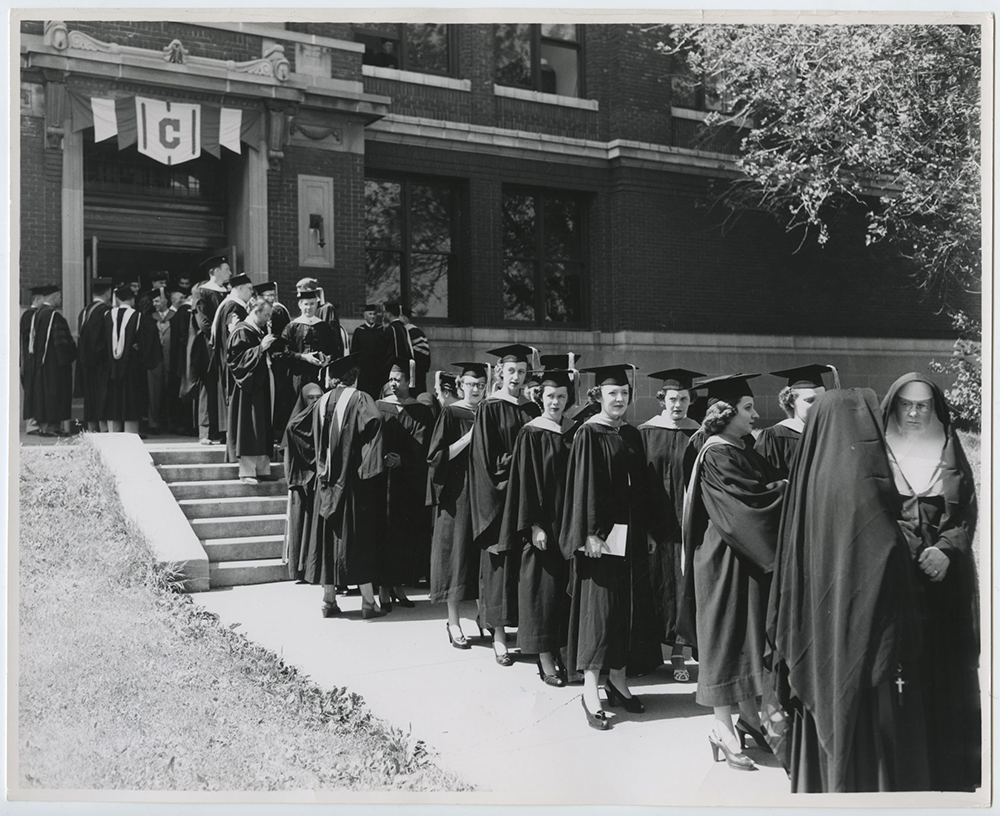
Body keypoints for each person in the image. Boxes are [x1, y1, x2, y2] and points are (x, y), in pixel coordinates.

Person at [766, 388, 930, 792]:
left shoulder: (809, 482)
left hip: (814, 645)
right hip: (865, 655)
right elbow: (884, 552)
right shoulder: (866, 481)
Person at [881, 373, 980, 792]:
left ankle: (950, 771)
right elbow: (875, 511)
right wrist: (908, 551)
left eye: (924, 405)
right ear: (894, 408)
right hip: (897, 580)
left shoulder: (950, 450)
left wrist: (945, 550)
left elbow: (966, 513)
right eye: (907, 404)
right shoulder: (879, 454)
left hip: (946, 580)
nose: (916, 412)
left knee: (947, 670)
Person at [680, 374, 784, 770]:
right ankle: (721, 728)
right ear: (724, 413)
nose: (755, 414)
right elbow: (748, 507)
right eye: (747, 408)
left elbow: (767, 482)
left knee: (746, 638)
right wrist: (787, 491)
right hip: (722, 562)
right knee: (725, 640)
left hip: (742, 560)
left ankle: (751, 719)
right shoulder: (717, 453)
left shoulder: (741, 448)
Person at [561, 364, 658, 730]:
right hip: (601, 539)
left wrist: (646, 530)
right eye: (612, 393)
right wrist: (588, 533)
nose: (619, 399)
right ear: (597, 396)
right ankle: (590, 688)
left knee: (625, 609)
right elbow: (582, 488)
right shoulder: (588, 434)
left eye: (624, 393)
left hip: (630, 537)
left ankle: (618, 681)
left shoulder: (631, 434)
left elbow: (643, 489)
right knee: (598, 611)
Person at [293, 352, 387, 619]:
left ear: (333, 379)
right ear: (354, 377)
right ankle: (368, 603)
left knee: (327, 541)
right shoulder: (360, 399)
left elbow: (294, 428)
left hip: (325, 485)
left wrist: (317, 462)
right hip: (352, 485)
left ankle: (328, 601)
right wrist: (365, 467)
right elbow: (376, 423)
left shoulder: (320, 402)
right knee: (356, 541)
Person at [500, 366, 576, 687]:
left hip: (569, 524)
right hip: (543, 525)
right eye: (550, 396)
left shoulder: (574, 431)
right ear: (539, 397)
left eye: (561, 396)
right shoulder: (531, 433)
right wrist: (533, 525)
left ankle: (560, 649)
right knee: (543, 590)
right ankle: (544, 656)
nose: (555, 402)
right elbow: (524, 484)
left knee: (564, 590)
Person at [469, 343, 539, 667]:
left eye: (522, 371)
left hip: (526, 498)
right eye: (511, 370)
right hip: (501, 498)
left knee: (525, 568)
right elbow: (484, 460)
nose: (516, 376)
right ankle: (498, 638)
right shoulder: (489, 408)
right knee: (499, 568)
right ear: (499, 372)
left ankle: (526, 633)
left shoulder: (533, 409)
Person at [638, 368, 704, 682]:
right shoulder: (645, 432)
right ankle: (648, 654)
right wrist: (646, 528)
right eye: (672, 399)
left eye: (683, 399)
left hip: (687, 524)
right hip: (655, 525)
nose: (677, 405)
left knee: (682, 588)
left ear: (691, 401)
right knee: (654, 588)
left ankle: (678, 653)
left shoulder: (698, 433)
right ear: (662, 399)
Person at [427, 362, 488, 647]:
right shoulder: (450, 413)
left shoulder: (489, 412)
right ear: (460, 385)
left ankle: (483, 616)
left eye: (479, 385)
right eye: (470, 384)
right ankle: (453, 622)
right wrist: (470, 437)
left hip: (484, 495)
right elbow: (438, 456)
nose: (475, 389)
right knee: (455, 557)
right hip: (457, 495)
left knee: (481, 559)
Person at [373, 357, 434, 609]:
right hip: (383, 480)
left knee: (405, 534)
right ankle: (384, 589)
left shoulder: (420, 410)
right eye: (391, 379)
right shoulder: (379, 406)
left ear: (409, 382)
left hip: (408, 482)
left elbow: (425, 445)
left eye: (398, 379)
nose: (393, 383)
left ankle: (399, 586)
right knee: (385, 533)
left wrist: (405, 460)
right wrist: (383, 457)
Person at [226, 300, 278, 484]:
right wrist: (261, 348)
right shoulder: (241, 332)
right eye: (266, 315)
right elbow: (235, 361)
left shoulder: (257, 331)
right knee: (249, 427)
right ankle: (247, 471)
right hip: (247, 389)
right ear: (255, 311)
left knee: (262, 426)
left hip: (260, 386)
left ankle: (262, 469)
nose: (268, 319)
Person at [754, 364, 834, 479]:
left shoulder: (832, 434)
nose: (818, 406)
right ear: (792, 401)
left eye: (822, 400)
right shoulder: (775, 438)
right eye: (810, 400)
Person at [101, 284, 162, 434]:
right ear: (131, 299)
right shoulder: (138, 317)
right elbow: (148, 342)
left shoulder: (107, 316)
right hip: (131, 368)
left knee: (114, 401)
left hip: (111, 368)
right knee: (131, 401)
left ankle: (113, 434)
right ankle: (130, 434)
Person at [282, 382, 325, 581]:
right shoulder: (295, 425)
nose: (315, 402)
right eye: (311, 398)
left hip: (318, 481)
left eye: (319, 398)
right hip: (302, 483)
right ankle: (299, 570)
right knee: (300, 524)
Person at [188, 254, 231, 445]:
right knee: (207, 386)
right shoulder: (201, 292)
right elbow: (203, 321)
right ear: (214, 271)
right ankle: (205, 432)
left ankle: (222, 430)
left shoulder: (228, 292)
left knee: (223, 387)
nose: (230, 272)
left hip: (226, 345)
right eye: (226, 269)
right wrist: (220, 336)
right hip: (209, 346)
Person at [24, 285, 78, 437]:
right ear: (54, 297)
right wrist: (73, 352)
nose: (60, 300)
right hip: (55, 366)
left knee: (43, 395)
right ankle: (52, 428)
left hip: (41, 364)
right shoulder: (54, 316)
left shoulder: (37, 314)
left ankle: (44, 427)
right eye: (59, 297)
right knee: (54, 394)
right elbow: (62, 343)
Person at [213, 273, 254, 440]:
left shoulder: (229, 305)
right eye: (249, 289)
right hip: (233, 361)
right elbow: (235, 334)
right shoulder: (233, 307)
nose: (252, 292)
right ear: (239, 288)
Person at [282, 287, 338, 395]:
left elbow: (335, 349)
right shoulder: (292, 327)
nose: (309, 307)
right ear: (300, 305)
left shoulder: (324, 327)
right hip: (298, 376)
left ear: (317, 305)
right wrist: (303, 357)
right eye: (306, 304)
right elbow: (284, 352)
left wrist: (328, 358)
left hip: (319, 375)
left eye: (312, 304)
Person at [76, 278, 114, 433]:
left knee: (91, 398)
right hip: (102, 363)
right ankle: (103, 430)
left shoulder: (84, 311)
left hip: (86, 363)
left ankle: (92, 430)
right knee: (103, 397)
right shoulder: (106, 311)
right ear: (108, 292)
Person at [146, 288, 176, 435]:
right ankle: (154, 423)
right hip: (155, 361)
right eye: (153, 301)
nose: (155, 304)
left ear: (165, 300)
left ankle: (172, 423)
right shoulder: (150, 317)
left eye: (157, 300)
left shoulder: (175, 317)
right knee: (154, 392)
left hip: (171, 360)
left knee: (171, 392)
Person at [20, 286, 48, 435]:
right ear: (37, 299)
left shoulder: (34, 314)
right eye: (43, 299)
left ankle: (35, 423)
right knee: (31, 390)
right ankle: (31, 424)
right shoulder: (29, 315)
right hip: (30, 359)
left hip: (32, 359)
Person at [350, 304, 388, 399]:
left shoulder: (381, 330)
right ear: (365, 315)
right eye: (370, 314)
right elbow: (354, 352)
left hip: (378, 371)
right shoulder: (359, 331)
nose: (372, 316)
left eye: (374, 314)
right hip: (364, 370)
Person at [401, 307, 431, 395]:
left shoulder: (413, 332)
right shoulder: (412, 331)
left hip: (416, 371)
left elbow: (421, 354)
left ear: (404, 318)